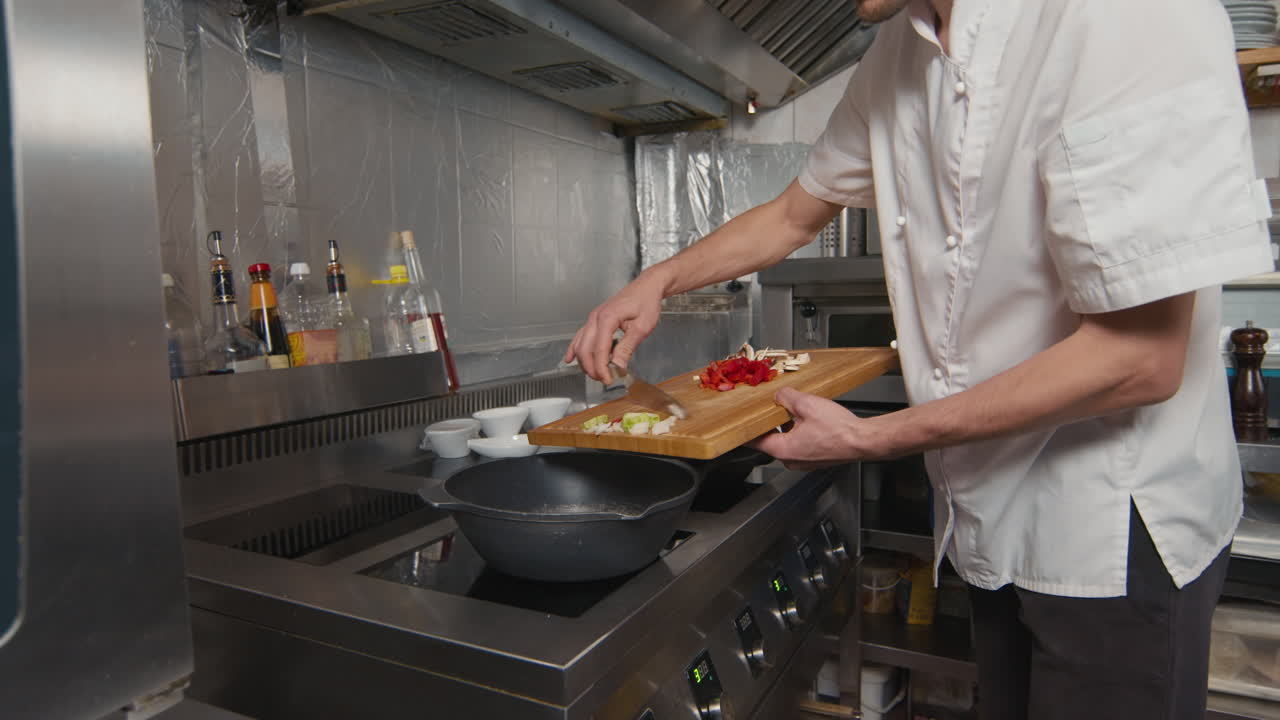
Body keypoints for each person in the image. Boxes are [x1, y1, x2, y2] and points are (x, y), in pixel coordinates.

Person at [565, 0, 1275, 717]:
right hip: (991, 517)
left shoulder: (1127, 15)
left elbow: (1140, 359)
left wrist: (871, 437)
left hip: (1114, 528)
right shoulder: (896, 56)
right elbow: (790, 216)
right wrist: (658, 279)